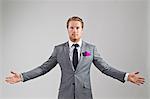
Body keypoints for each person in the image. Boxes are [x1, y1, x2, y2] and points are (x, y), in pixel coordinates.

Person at [5, 16, 145, 99]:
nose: (74, 31)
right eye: (71, 28)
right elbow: (43, 69)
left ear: (82, 30)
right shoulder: (59, 50)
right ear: (67, 29)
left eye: (77, 28)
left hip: (84, 95)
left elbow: (106, 68)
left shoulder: (91, 49)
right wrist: (22, 77)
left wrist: (126, 76)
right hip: (65, 95)